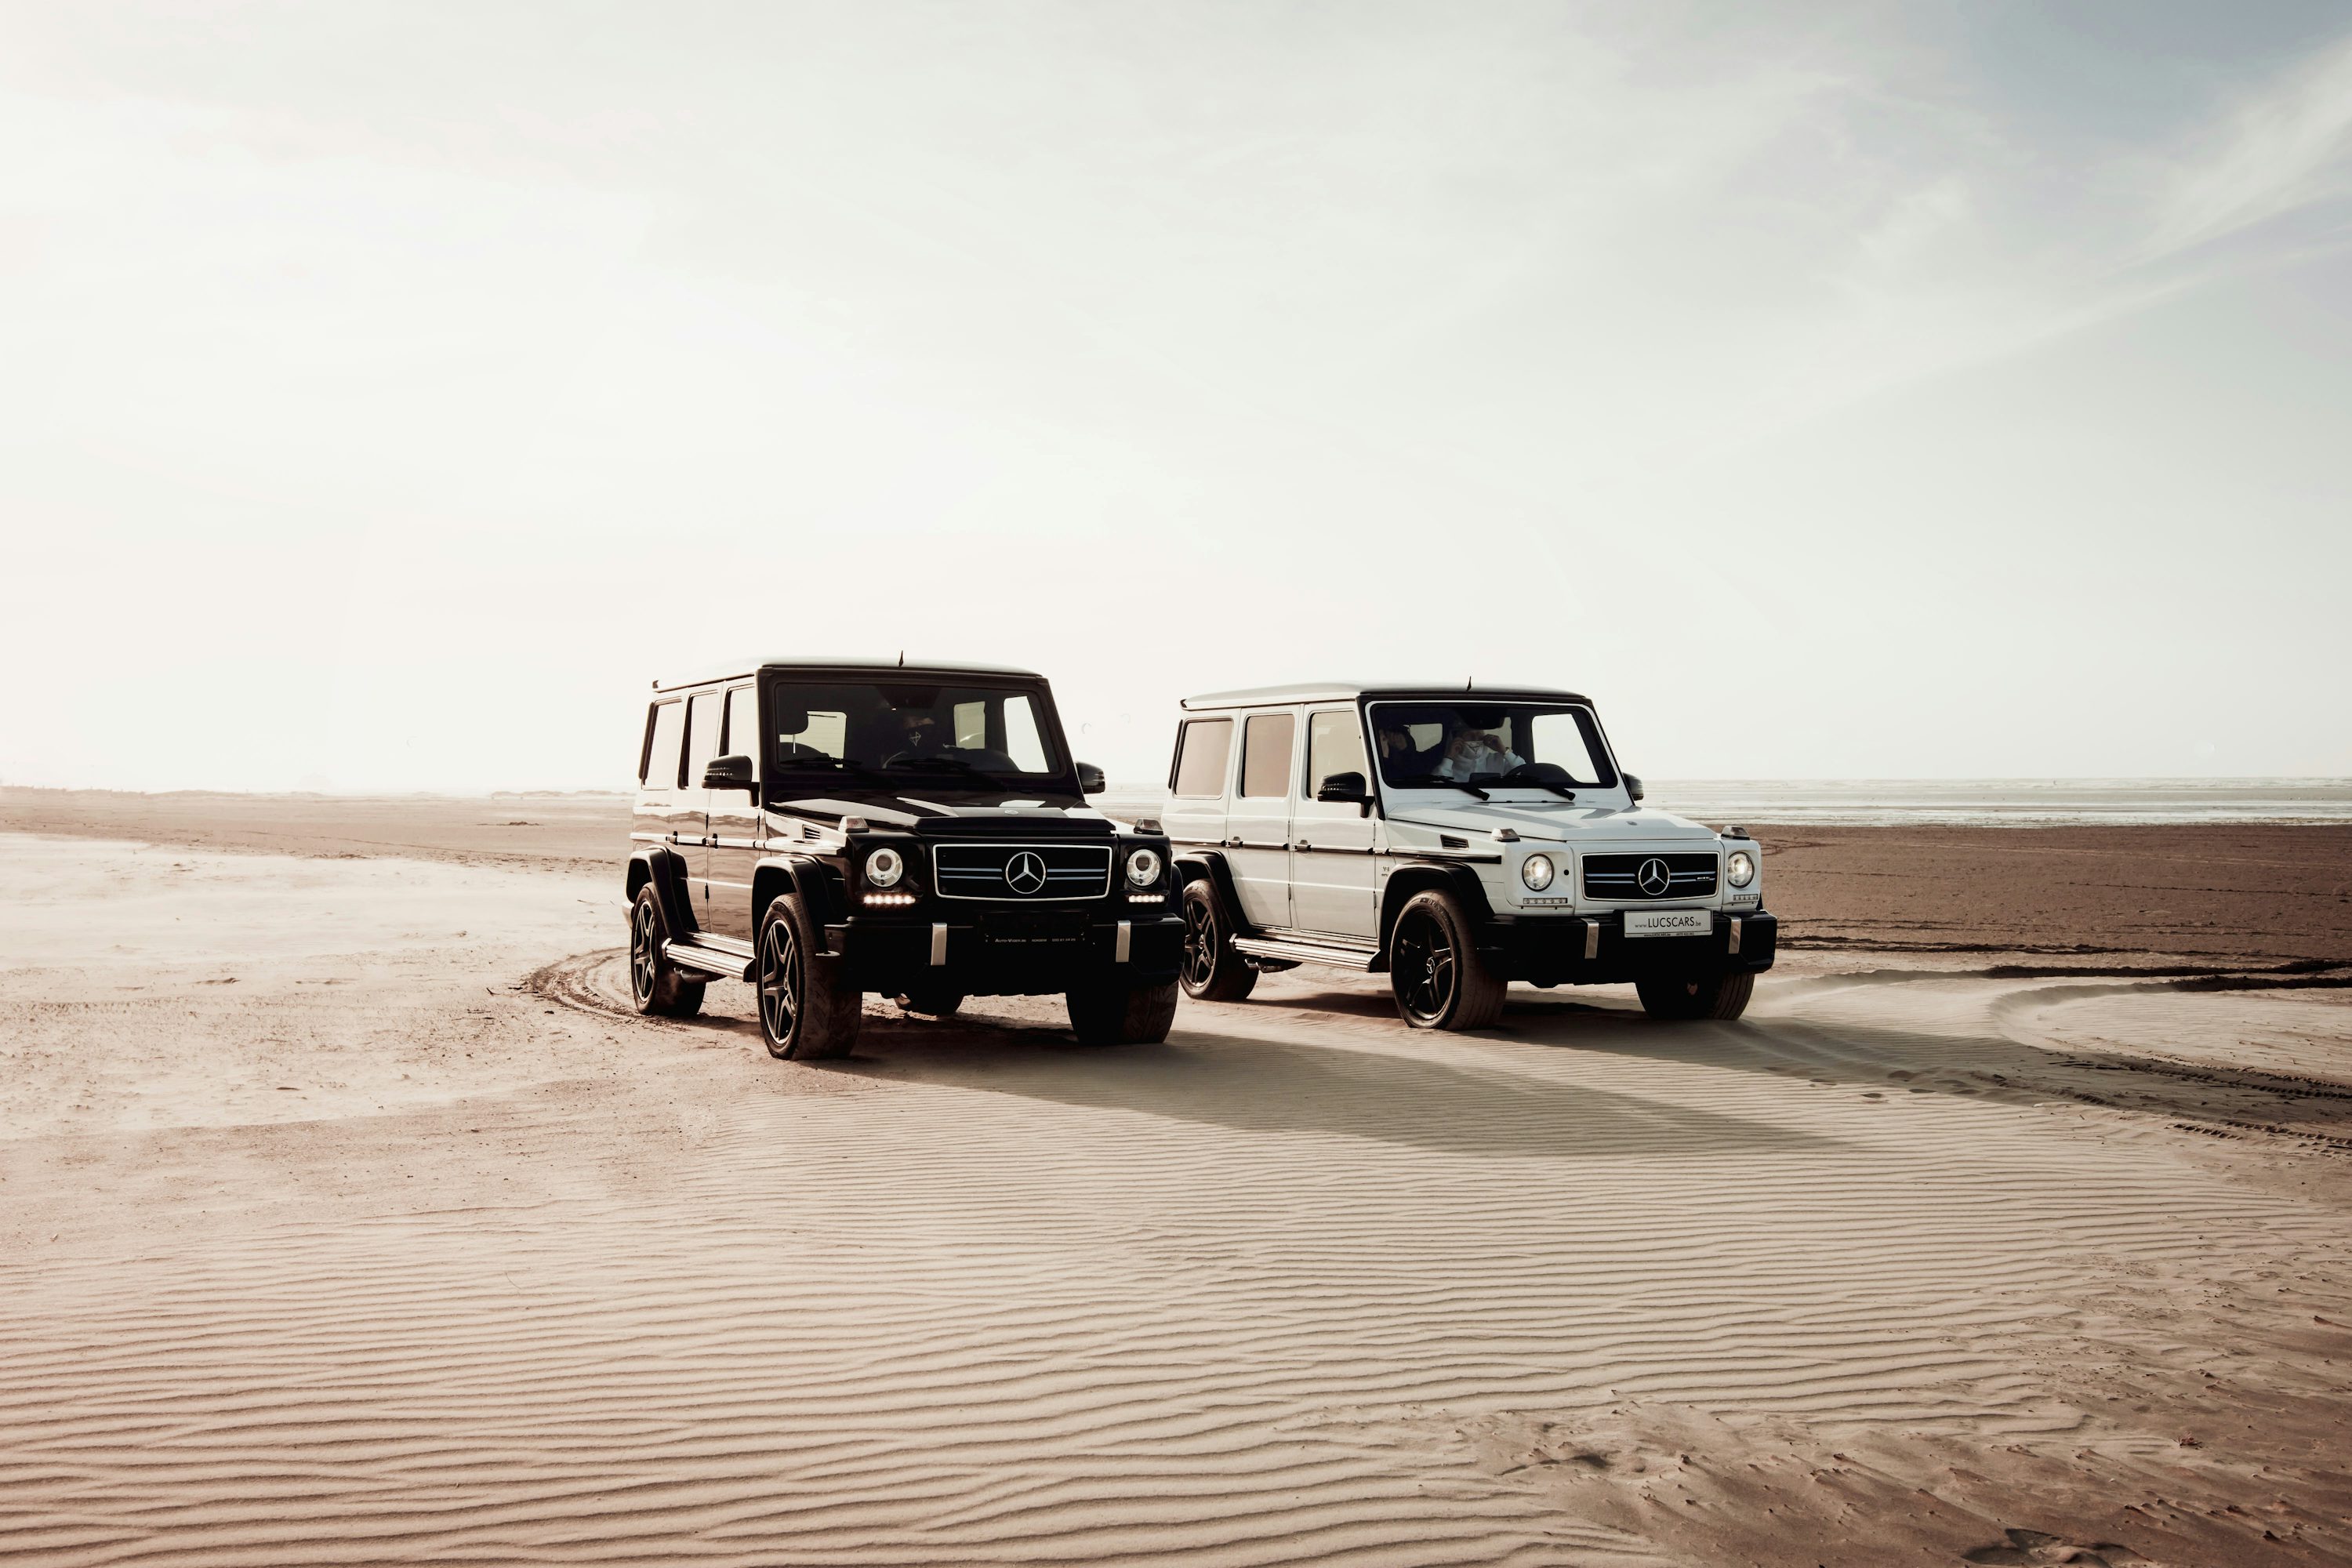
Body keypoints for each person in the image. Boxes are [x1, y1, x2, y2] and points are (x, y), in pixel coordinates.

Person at [1435, 720, 1524, 780]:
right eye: (1469, 735)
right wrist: (1449, 757)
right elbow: (1437, 786)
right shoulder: (1447, 765)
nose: (1476, 738)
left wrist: (1504, 751)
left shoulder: (1498, 760)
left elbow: (1524, 772)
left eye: (1479, 734)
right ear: (1458, 740)